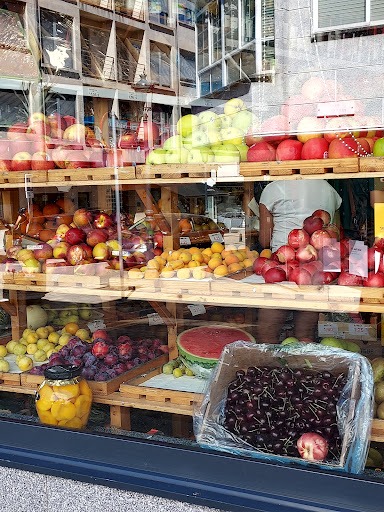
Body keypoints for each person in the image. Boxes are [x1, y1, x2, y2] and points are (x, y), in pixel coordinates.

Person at [257, 179, 342, 344]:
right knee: (305, 336)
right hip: (317, 265)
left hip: (282, 264)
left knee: (268, 337)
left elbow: (265, 240)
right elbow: (334, 230)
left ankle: (267, 363)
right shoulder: (328, 188)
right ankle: (301, 365)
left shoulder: (273, 188)